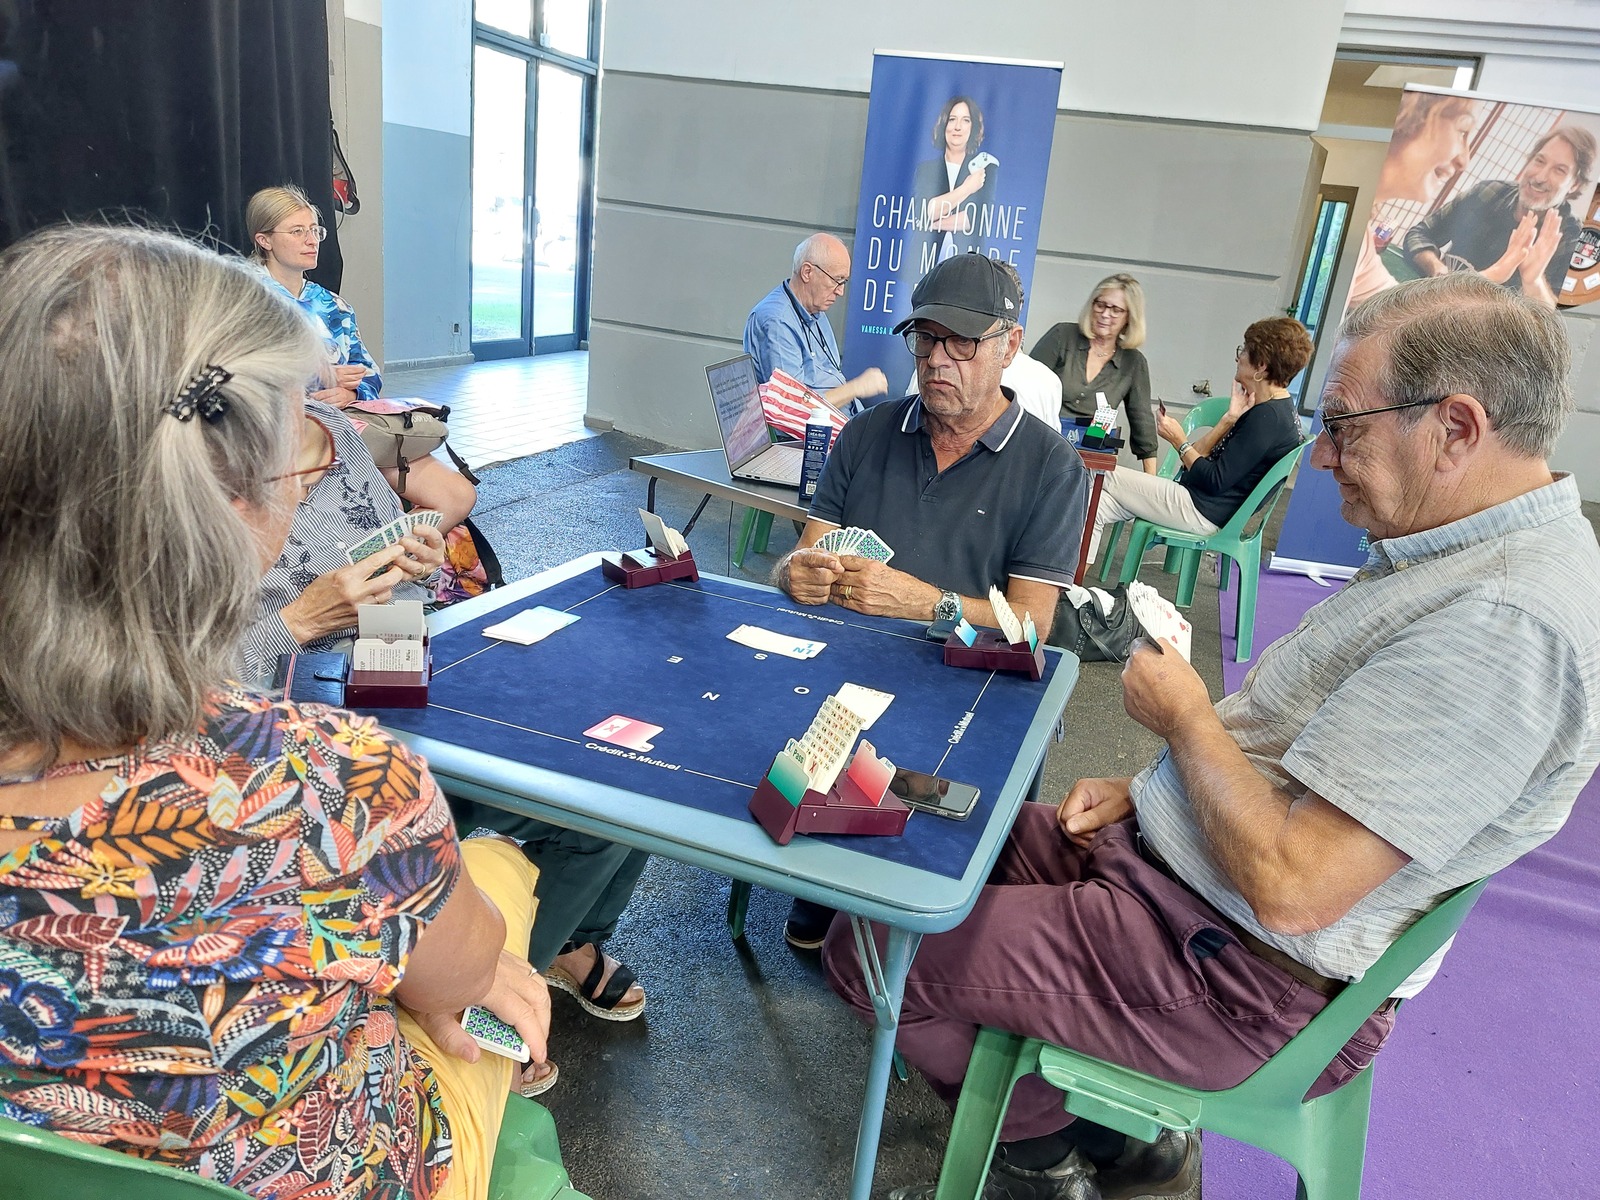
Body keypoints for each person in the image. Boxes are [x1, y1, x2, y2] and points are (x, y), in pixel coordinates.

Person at [828, 270, 1600, 1200]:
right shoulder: (1458, 553)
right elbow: (1295, 761)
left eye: (1343, 426)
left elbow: (1293, 888)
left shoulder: (1503, 624)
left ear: (1458, 429)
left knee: (875, 946)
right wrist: (1148, 791)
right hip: (1186, 887)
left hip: (1240, 971)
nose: (1322, 457)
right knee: (909, 863)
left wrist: (1186, 719)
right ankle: (1120, 1137)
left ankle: (1067, 1147)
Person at [0, 224, 555, 1199]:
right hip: (336, 1166)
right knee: (502, 883)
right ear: (218, 502)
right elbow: (457, 975)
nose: (312, 473)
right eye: (299, 445)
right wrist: (421, 974)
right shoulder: (337, 785)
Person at [773, 252, 1091, 949]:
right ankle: (829, 869)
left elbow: (1032, 623)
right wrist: (795, 574)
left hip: (971, 687)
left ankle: (900, 887)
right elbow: (804, 555)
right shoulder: (865, 433)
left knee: (939, 890)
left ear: (1010, 345)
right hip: (850, 678)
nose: (938, 359)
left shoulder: (1052, 467)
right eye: (926, 338)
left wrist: (927, 603)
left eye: (963, 342)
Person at [246, 184, 476, 527]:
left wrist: (352, 392)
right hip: (278, 439)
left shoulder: (333, 305)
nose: (311, 240)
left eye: (315, 230)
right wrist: (316, 376)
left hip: (346, 426)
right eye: (297, 232)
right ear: (264, 240)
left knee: (457, 496)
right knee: (350, 518)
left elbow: (368, 369)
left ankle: (380, 556)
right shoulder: (240, 299)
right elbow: (231, 378)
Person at [240, 396, 449, 684]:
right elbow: (189, 679)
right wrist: (303, 620)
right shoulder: (188, 489)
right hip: (300, 673)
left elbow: (412, 558)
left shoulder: (329, 421)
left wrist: (422, 565)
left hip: (416, 633)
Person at [1086, 316, 1310, 565]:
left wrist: (1179, 442)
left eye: (1244, 351)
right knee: (1096, 503)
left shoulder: (1267, 418)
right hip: (1200, 502)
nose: (1238, 358)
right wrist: (1228, 420)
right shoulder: (1276, 410)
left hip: (1201, 510)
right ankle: (1071, 581)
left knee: (1096, 472)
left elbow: (1214, 480)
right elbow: (1195, 462)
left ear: (1261, 366)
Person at [1400, 125, 1596, 307]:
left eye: (1559, 170)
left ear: (1574, 184)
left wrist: (1534, 281)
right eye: (1539, 161)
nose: (1540, 177)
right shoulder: (1487, 193)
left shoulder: (1573, 238)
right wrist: (1438, 270)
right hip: (1438, 302)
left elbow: (1557, 317)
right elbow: (1419, 234)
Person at [1347, 92, 1482, 308]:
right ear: (1407, 114)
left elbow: (1397, 308)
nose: (1464, 161)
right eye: (1462, 131)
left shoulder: (1357, 236)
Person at [743, 232, 889, 410]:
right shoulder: (777, 321)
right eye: (837, 280)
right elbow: (793, 406)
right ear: (807, 272)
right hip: (816, 426)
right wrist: (857, 387)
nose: (840, 292)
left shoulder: (815, 307)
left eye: (844, 281)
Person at [1030, 275, 1161, 471]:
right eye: (1101, 305)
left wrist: (1150, 477)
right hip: (1041, 445)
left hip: (1089, 459)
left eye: (1116, 310)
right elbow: (1026, 385)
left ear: (1129, 317)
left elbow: (1143, 425)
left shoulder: (1134, 362)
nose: (1105, 314)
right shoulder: (1062, 336)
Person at [913, 96, 998, 269]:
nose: (957, 127)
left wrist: (934, 222)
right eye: (952, 119)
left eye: (965, 120)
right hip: (923, 264)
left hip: (969, 267)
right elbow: (925, 212)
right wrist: (967, 188)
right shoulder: (926, 170)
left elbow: (973, 220)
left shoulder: (984, 169)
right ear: (943, 125)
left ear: (973, 127)